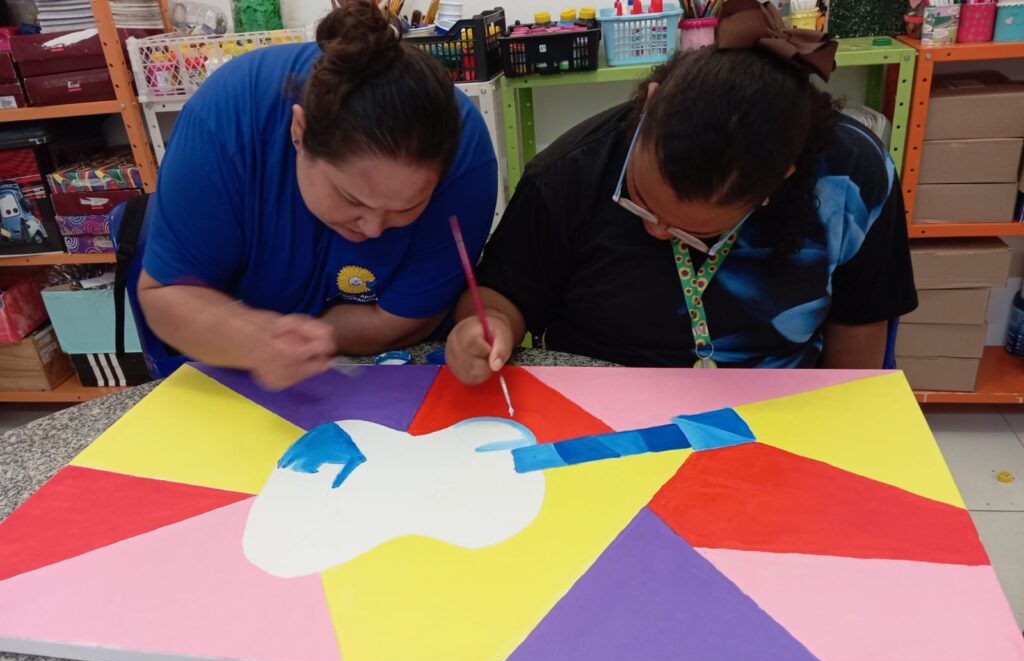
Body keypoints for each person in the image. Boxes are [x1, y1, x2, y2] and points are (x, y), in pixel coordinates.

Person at [445, 0, 916, 385]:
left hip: (777, 412)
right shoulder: (568, 173)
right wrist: (487, 328)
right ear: (651, 103)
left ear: (778, 181)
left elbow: (859, 326)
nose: (656, 230)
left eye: (691, 232)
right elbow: (501, 295)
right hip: (600, 408)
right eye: (639, 201)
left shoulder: (854, 177)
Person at [138, 0, 497, 390]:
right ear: (299, 133)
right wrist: (254, 340)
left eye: (407, 208)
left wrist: (307, 338)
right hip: (243, 367)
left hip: (400, 370)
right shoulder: (225, 122)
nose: (373, 230)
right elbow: (165, 294)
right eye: (352, 199)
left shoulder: (464, 157)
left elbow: (404, 321)